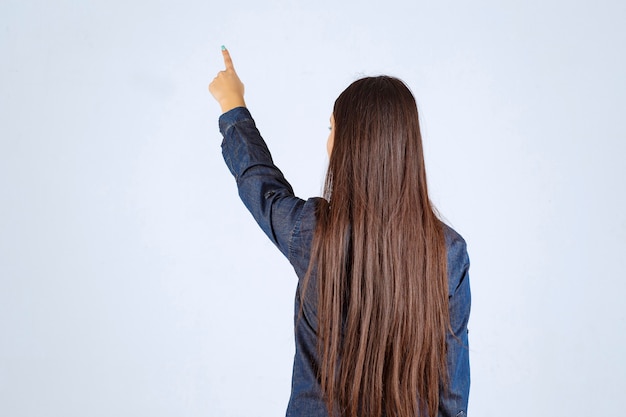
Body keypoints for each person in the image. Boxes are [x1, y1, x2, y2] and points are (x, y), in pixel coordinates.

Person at [209, 47, 471, 417]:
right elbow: (452, 393)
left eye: (332, 129)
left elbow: (261, 186)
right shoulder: (447, 251)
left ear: (350, 145)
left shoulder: (313, 232)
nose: (328, 140)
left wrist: (232, 106)